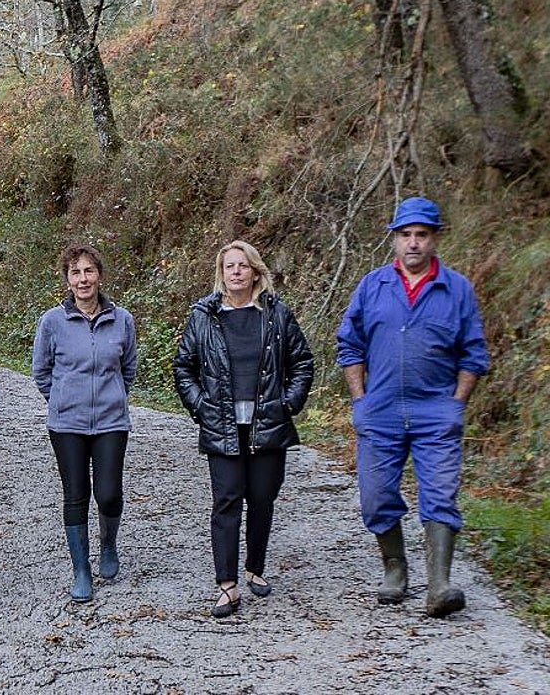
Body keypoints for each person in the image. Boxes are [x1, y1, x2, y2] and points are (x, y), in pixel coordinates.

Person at [336, 197, 489, 617]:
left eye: (422, 235)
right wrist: (360, 400)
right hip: (380, 410)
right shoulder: (373, 286)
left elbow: (473, 354)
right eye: (406, 235)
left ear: (435, 238)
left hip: (434, 411)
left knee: (440, 495)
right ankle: (395, 567)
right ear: (394, 240)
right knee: (375, 496)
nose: (414, 243)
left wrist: (456, 405)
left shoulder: (456, 289)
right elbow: (349, 345)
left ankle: (439, 584)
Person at [173, 240, 314, 618]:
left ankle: (255, 568)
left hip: (268, 424)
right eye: (229, 266)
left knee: (262, 500)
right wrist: (201, 407)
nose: (235, 272)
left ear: (255, 271)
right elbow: (183, 367)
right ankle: (227, 585)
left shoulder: (277, 314)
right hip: (221, 426)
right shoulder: (204, 315)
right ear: (222, 274)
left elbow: (302, 362)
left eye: (242, 265)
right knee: (226, 502)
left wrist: (288, 403)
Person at [33, 243, 137, 603]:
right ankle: (81, 570)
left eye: (89, 271)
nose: (83, 279)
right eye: (75, 272)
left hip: (111, 421)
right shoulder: (51, 322)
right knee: (75, 494)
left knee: (108, 492)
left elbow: (129, 369)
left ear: (100, 276)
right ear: (67, 279)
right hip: (67, 424)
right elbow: (41, 371)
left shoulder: (122, 319)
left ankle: (108, 545)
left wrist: (112, 397)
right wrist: (62, 399)